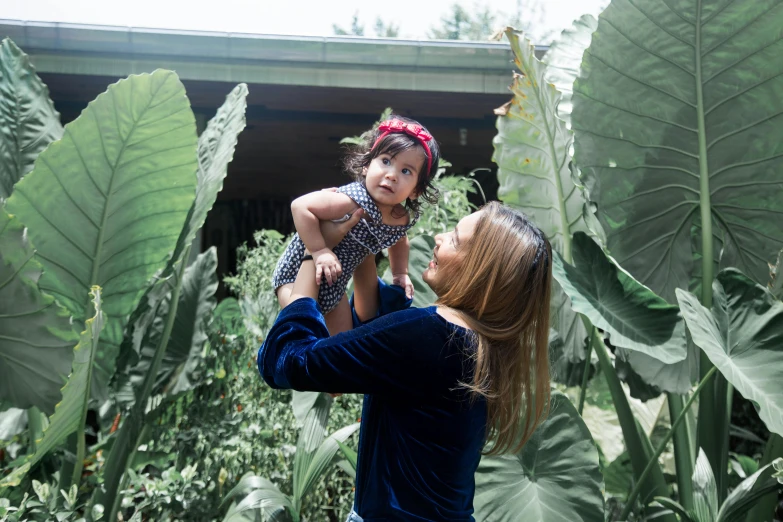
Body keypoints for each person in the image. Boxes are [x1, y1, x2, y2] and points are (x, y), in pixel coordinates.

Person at [259, 201, 554, 522]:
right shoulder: (484, 346)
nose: (439, 237)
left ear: (480, 272)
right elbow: (370, 333)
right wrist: (363, 246)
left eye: (455, 238)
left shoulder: (431, 335)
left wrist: (314, 252)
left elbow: (286, 362)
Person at [271, 115, 441, 335]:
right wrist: (319, 250)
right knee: (301, 327)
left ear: (416, 190)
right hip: (295, 275)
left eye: (406, 171)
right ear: (366, 165)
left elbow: (400, 240)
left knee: (343, 343)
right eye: (386, 161)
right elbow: (300, 206)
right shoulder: (351, 200)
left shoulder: (400, 218)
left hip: (334, 284)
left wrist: (400, 273)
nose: (391, 175)